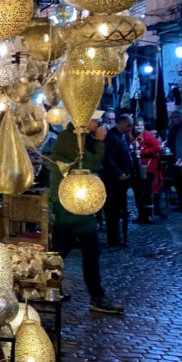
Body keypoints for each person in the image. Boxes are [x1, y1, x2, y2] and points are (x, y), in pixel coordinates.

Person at [49, 112, 123, 314]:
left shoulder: (77, 137)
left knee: (67, 251)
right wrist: (100, 141)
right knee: (65, 251)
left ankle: (53, 288)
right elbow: (91, 164)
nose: (98, 123)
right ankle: (93, 296)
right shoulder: (71, 138)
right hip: (71, 205)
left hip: (76, 203)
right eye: (95, 120)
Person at [101, 113, 133, 247]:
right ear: (120, 123)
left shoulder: (119, 137)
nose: (129, 128)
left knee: (116, 210)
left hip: (120, 181)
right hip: (113, 182)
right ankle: (114, 239)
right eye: (128, 125)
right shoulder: (113, 138)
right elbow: (109, 159)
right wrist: (119, 173)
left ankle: (117, 237)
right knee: (112, 211)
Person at [133, 118, 166, 219]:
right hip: (138, 167)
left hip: (148, 167)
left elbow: (158, 146)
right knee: (140, 191)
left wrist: (143, 152)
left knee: (147, 191)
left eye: (141, 125)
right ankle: (142, 214)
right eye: (137, 125)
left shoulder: (147, 135)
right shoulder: (134, 136)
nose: (139, 127)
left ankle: (149, 215)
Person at [166, 111, 182, 210]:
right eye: (174, 117)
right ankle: (181, 203)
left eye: (177, 116)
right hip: (174, 159)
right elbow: (170, 143)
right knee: (178, 182)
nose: (175, 119)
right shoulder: (172, 128)